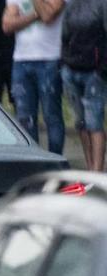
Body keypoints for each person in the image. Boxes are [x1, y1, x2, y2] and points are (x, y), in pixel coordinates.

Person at [3, 0, 67, 155]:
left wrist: (27, 17)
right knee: (25, 119)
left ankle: (55, 162)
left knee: (51, 115)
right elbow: (7, 26)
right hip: (21, 60)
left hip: (50, 59)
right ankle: (33, 160)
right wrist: (34, 15)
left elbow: (47, 16)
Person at [60, 0, 106, 169]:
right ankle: (89, 166)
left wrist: (102, 69)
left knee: (94, 122)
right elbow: (65, 35)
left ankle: (97, 171)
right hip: (71, 69)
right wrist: (63, 63)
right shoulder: (71, 4)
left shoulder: (101, 4)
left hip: (94, 72)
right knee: (81, 122)